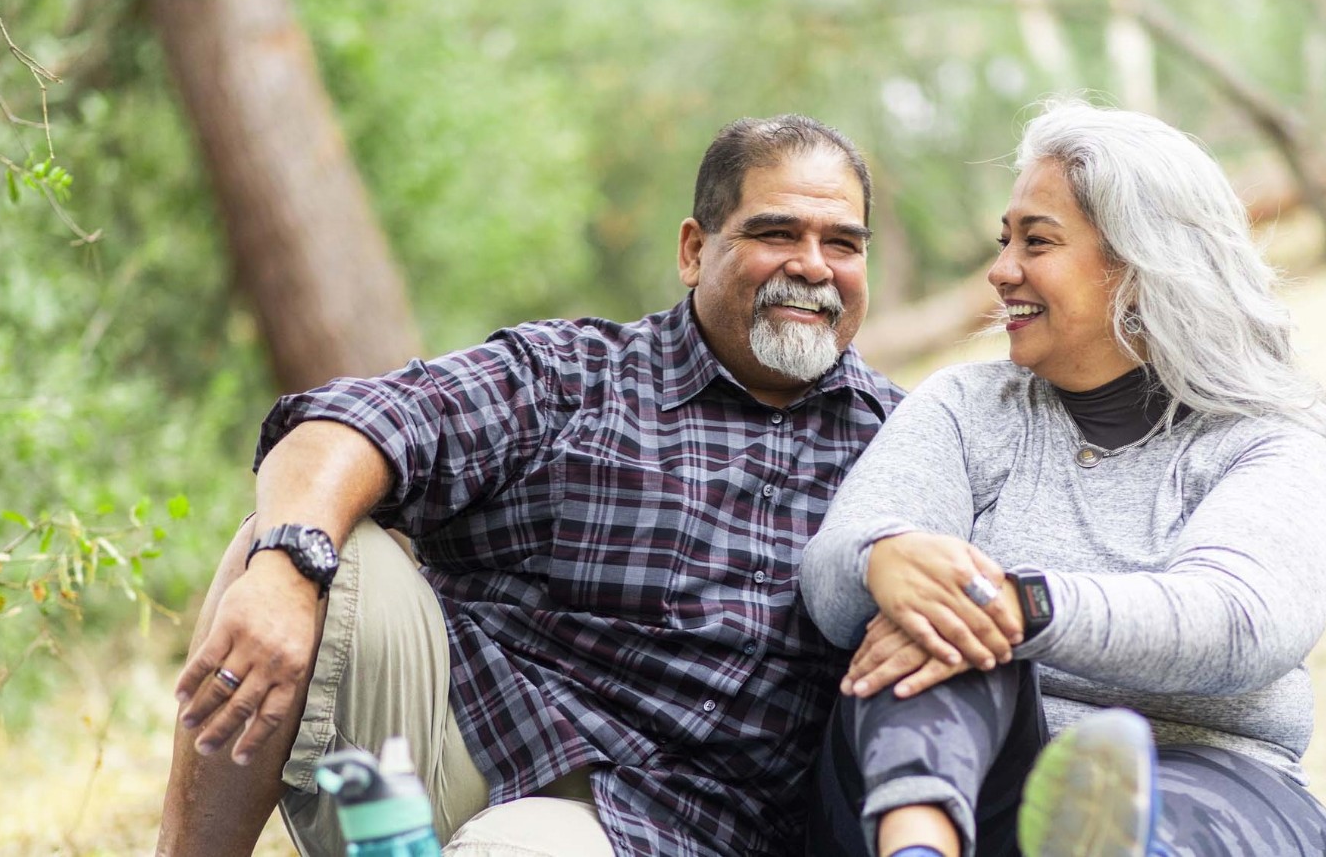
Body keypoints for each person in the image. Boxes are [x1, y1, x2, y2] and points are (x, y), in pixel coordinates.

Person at [155, 113, 905, 857]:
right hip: (451, 743)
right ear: (694, 249)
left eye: (841, 243)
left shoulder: (900, 446)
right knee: (303, 541)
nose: (812, 265)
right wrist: (287, 564)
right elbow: (353, 422)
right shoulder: (574, 375)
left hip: (662, 829)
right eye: (777, 234)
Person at [799, 98, 1326, 857]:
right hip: (958, 784)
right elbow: (834, 582)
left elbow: (1242, 619)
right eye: (1005, 240)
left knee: (978, 613)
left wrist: (1025, 606)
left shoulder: (1270, 441)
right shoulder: (967, 407)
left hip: (1212, 776)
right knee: (939, 611)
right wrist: (883, 559)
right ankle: (918, 849)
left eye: (1037, 241)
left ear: (1139, 262)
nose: (1000, 272)